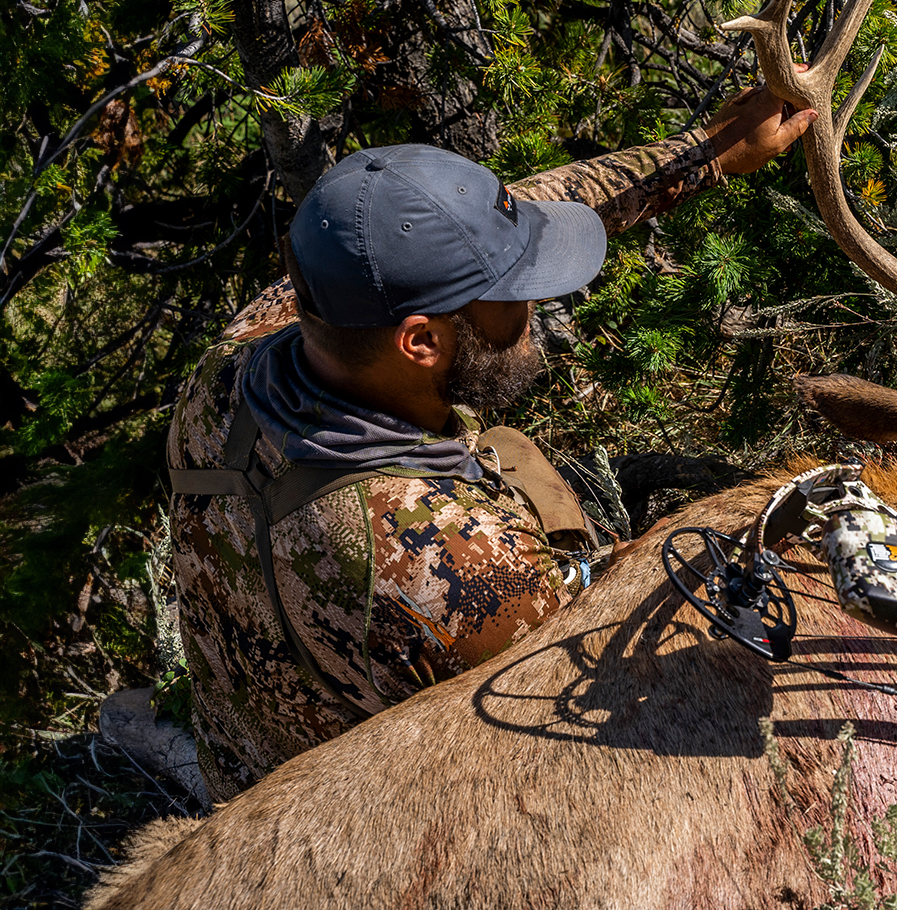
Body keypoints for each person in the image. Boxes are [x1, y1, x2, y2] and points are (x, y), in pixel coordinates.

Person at [163, 90, 815, 801]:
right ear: (421, 342)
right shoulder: (455, 570)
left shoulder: (249, 352)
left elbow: (522, 209)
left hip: (246, 758)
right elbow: (597, 693)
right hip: (352, 833)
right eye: (515, 293)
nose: (540, 306)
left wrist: (706, 152)